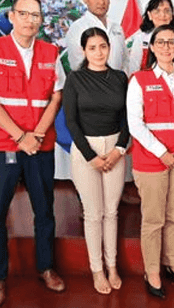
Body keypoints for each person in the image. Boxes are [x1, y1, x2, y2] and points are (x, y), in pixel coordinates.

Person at [0, 0, 66, 307]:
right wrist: (19, 136)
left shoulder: (51, 53)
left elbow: (55, 98)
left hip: (39, 146)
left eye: (36, 15)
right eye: (24, 13)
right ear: (12, 16)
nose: (30, 20)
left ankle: (46, 267)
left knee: (45, 211)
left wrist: (35, 135)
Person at [126, 24, 174, 299]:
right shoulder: (140, 80)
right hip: (151, 160)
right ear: (152, 47)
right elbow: (135, 123)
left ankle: (173, 263)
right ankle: (153, 270)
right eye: (161, 42)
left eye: (172, 42)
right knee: (154, 218)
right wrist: (162, 152)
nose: (167, 47)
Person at [63, 27, 129, 295]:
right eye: (92, 48)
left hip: (115, 148)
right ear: (83, 51)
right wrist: (91, 156)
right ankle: (97, 269)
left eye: (103, 46)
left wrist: (118, 150)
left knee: (111, 212)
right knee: (93, 214)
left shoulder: (120, 78)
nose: (99, 52)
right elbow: (71, 121)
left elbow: (128, 118)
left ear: (109, 48)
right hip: (85, 150)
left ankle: (112, 266)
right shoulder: (75, 79)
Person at [64, 0, 125, 71]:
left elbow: (125, 60)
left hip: (118, 82)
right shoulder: (77, 28)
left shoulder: (117, 27)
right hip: (90, 83)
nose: (101, 2)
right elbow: (77, 64)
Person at [124, 0, 174, 76]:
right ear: (149, 15)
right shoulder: (141, 39)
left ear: (172, 15)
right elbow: (133, 68)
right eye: (157, 11)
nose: (163, 15)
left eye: (167, 11)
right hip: (147, 84)